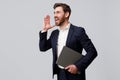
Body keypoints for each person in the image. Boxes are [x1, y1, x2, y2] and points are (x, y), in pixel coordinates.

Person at [39, 3, 97, 80]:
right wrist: (44, 30)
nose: (55, 15)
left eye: (58, 12)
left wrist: (77, 66)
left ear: (66, 14)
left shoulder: (78, 31)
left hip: (75, 75)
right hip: (60, 75)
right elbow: (43, 48)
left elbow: (92, 52)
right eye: (54, 13)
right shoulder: (54, 33)